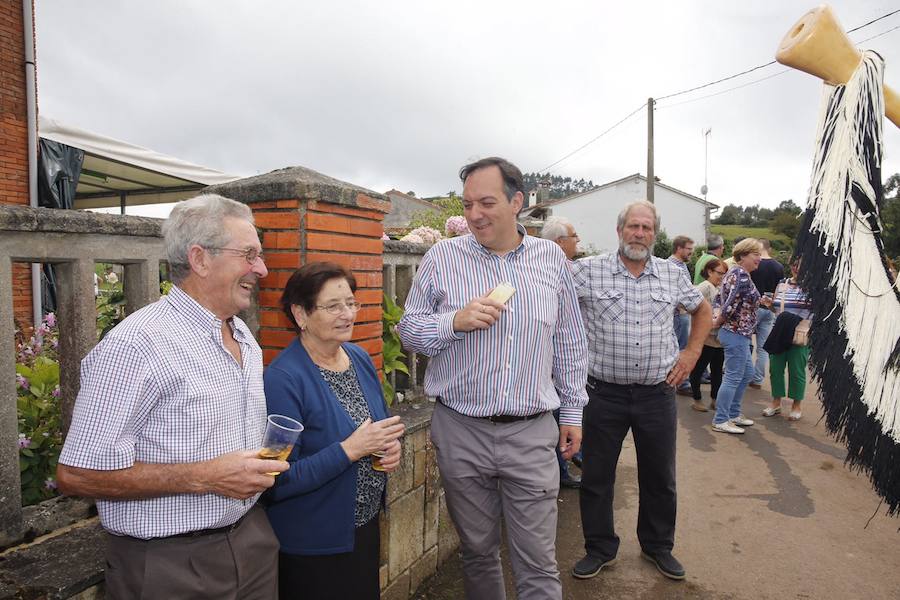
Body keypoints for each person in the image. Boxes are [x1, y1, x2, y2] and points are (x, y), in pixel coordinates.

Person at [56, 194, 287, 599]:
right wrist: (205, 477)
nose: (262, 269)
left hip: (253, 541)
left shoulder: (243, 335)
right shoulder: (136, 346)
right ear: (200, 259)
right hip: (169, 566)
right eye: (249, 255)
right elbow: (76, 475)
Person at [398, 157, 588, 600]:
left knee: (537, 562)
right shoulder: (442, 258)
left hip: (531, 432)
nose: (475, 214)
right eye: (467, 205)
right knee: (478, 552)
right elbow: (409, 330)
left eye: (486, 202)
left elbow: (570, 343)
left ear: (517, 202)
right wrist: (453, 323)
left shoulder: (550, 261)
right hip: (460, 431)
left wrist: (573, 411)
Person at [571, 200, 711, 582]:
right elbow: (551, 305)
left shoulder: (673, 274)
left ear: (655, 233)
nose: (639, 233)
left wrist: (692, 353)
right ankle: (599, 548)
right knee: (597, 475)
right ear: (620, 231)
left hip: (656, 395)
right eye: (633, 226)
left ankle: (657, 546)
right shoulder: (586, 271)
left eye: (647, 228)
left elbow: (702, 311)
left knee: (659, 475)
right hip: (602, 393)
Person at [263, 262, 405, 600]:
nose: (347, 314)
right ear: (300, 314)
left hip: (362, 529)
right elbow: (275, 480)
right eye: (332, 306)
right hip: (313, 545)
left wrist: (389, 449)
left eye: (351, 303)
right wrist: (350, 450)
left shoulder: (357, 357)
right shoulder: (283, 379)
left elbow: (377, 428)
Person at [711, 238, 773, 434]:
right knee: (733, 376)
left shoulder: (739, 273)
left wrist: (760, 300)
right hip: (735, 333)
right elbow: (728, 303)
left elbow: (721, 298)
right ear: (744, 255)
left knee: (745, 374)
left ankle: (733, 414)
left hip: (739, 334)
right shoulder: (740, 274)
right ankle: (721, 419)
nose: (759, 259)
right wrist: (718, 321)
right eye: (756, 255)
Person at [540, 215, 583, 489]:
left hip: (555, 361)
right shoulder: (563, 269)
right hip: (554, 363)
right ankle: (563, 469)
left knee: (562, 419)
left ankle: (569, 461)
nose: (578, 240)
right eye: (574, 236)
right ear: (559, 242)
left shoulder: (556, 266)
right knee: (560, 420)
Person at [762, 258, 812, 421]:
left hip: (799, 333)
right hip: (780, 331)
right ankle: (776, 403)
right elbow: (777, 308)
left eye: (800, 264)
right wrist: (769, 304)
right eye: (793, 264)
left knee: (796, 371)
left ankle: (796, 405)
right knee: (775, 369)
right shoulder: (782, 284)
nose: (796, 268)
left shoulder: (813, 286)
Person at [688, 258, 728, 412]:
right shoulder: (704, 287)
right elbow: (692, 306)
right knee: (698, 369)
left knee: (717, 371)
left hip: (718, 337)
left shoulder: (718, 287)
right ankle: (697, 399)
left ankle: (715, 399)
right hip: (705, 337)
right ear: (709, 271)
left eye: (724, 274)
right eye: (719, 273)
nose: (722, 277)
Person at [748, 239, 784, 389]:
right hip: (770, 309)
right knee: (762, 347)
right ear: (769, 249)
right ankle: (757, 379)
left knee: (746, 342)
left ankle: (746, 374)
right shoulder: (778, 266)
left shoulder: (754, 264)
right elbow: (780, 288)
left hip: (753, 307)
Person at [668, 236, 695, 397]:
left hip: (682, 314)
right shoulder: (672, 266)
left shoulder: (681, 265)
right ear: (679, 248)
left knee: (679, 347)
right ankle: (681, 383)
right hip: (678, 314)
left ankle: (680, 382)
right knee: (680, 348)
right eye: (689, 249)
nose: (691, 252)